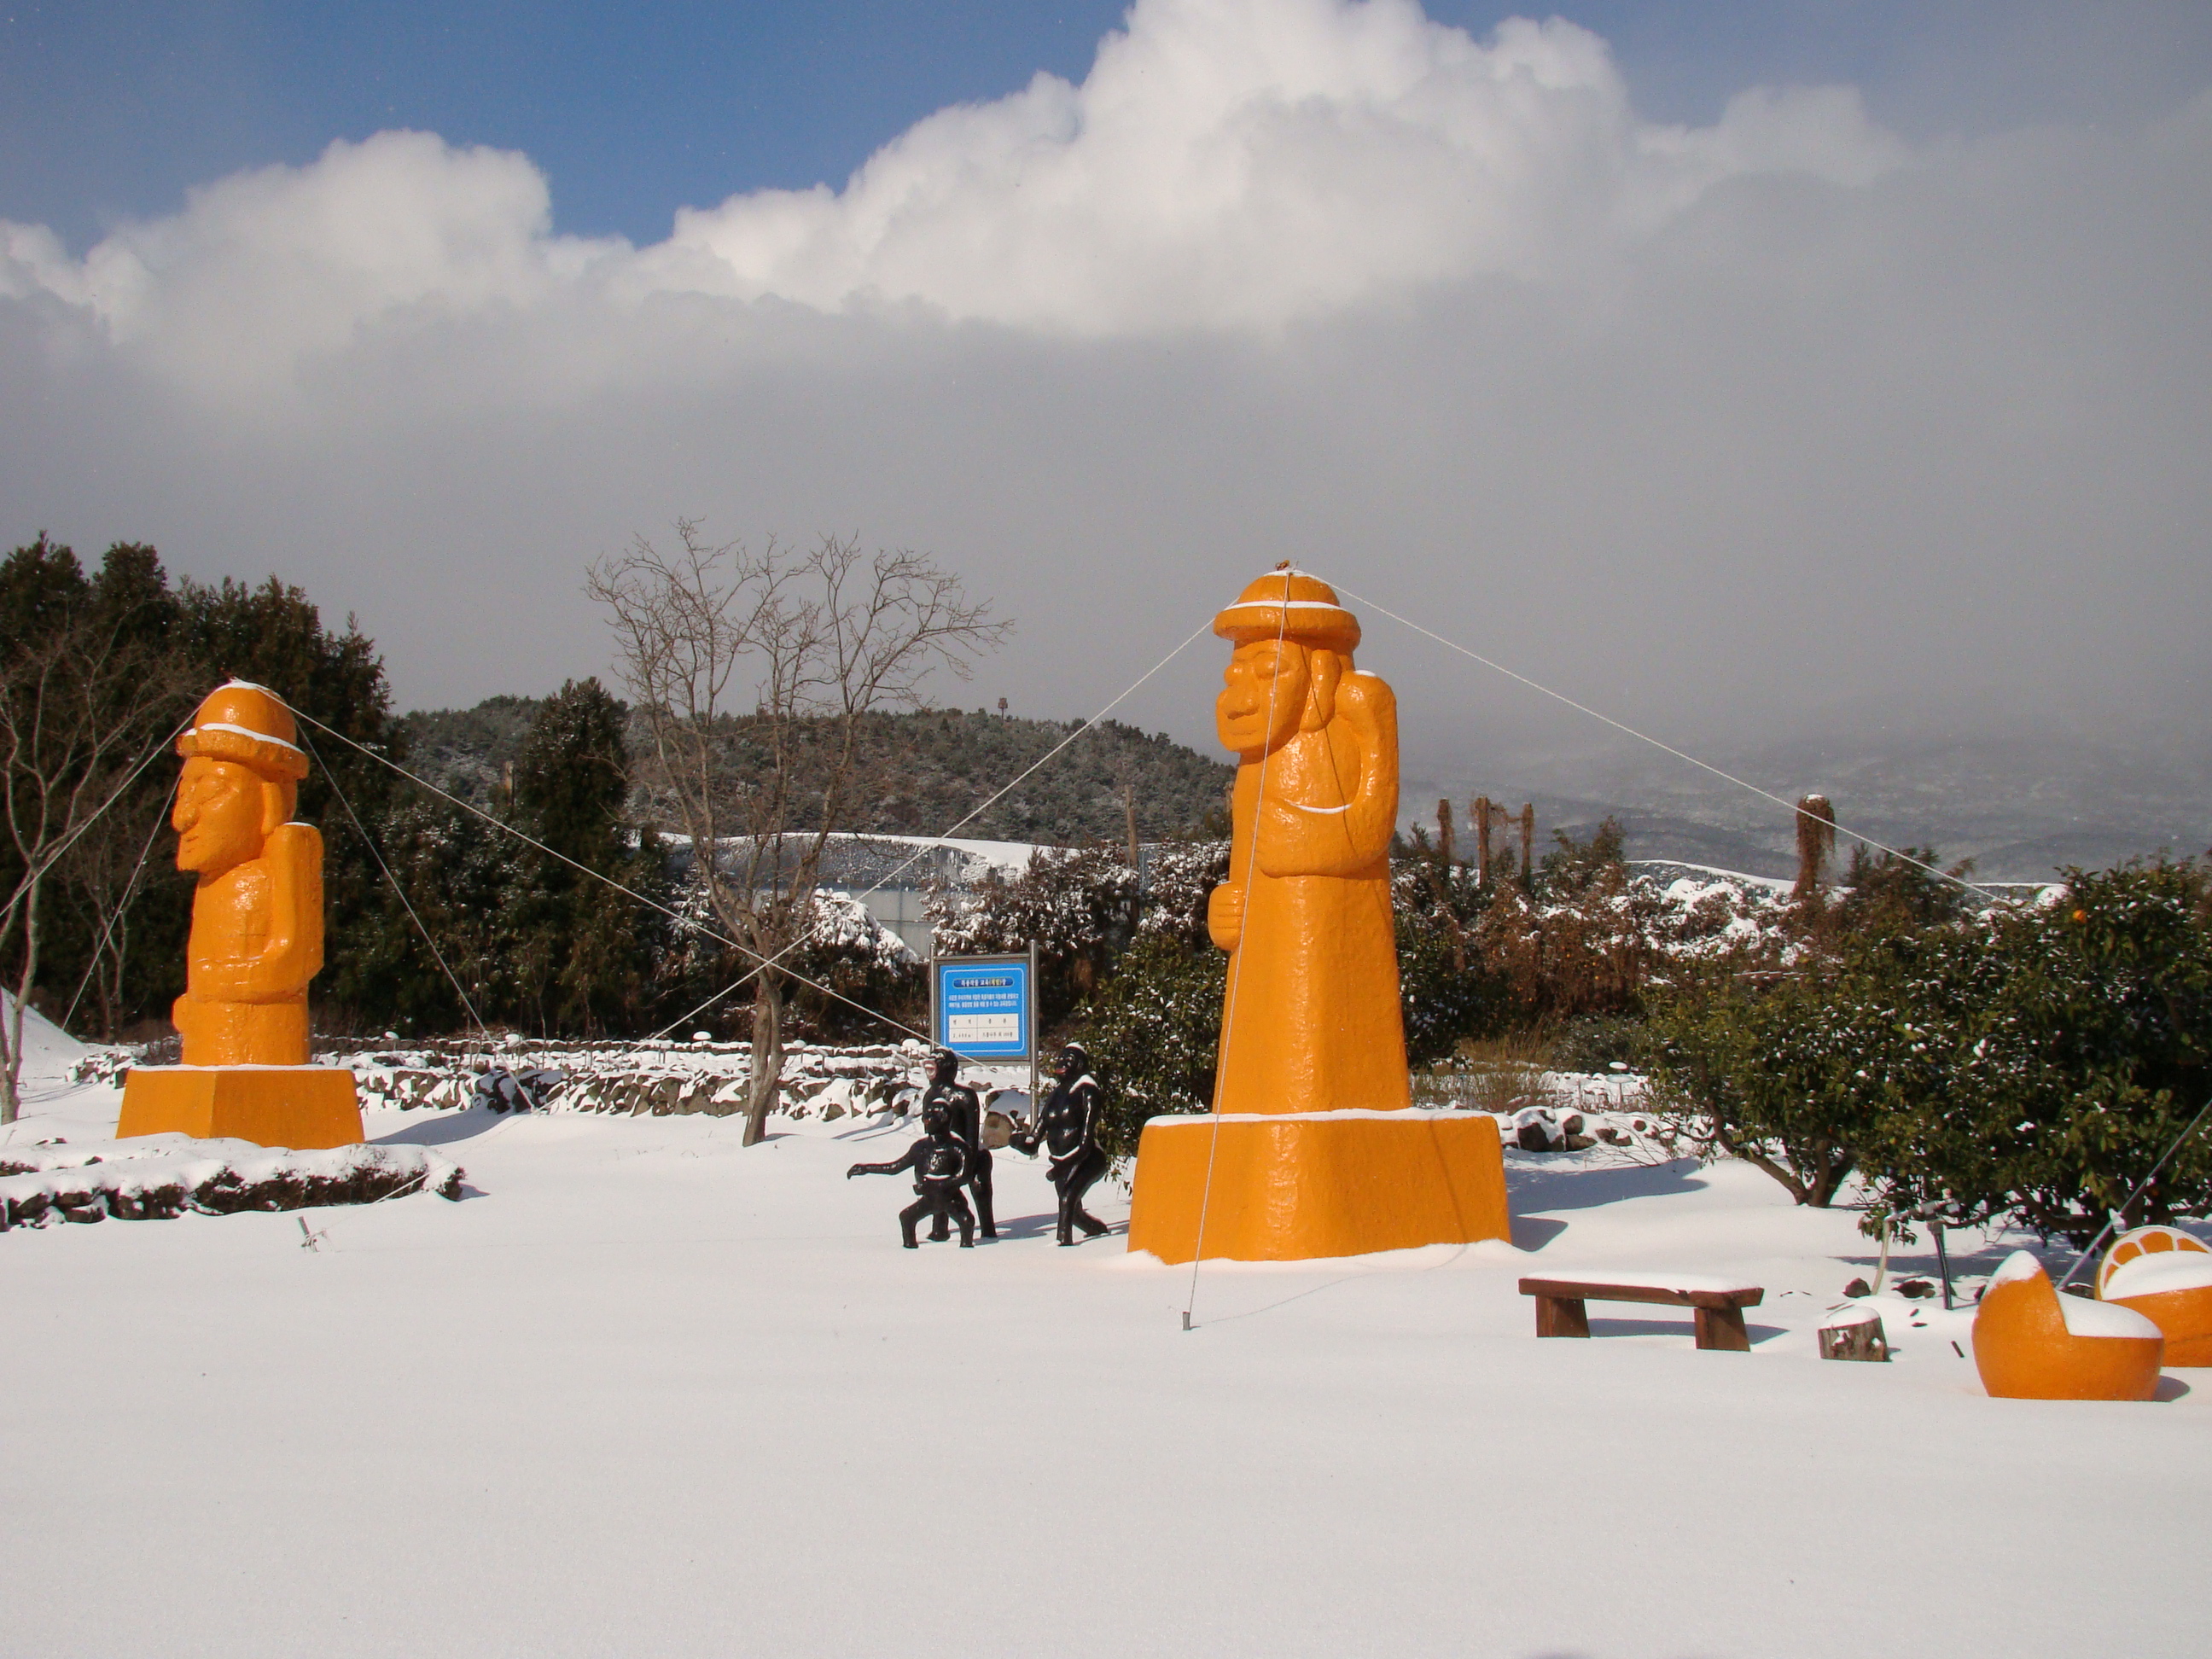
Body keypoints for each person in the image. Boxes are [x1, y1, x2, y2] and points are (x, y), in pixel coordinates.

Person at [1019, 1041, 1111, 1246]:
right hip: (1061, 1162)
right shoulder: (1056, 1094)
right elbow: (1036, 1134)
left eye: (1068, 1060)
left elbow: (1086, 1143)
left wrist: (1062, 1166)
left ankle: (1063, 1242)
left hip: (1088, 1158)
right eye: (1060, 1058)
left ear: (1080, 1064)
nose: (1062, 1063)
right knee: (1073, 1211)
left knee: (1067, 1198)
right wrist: (1021, 1142)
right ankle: (1098, 1230)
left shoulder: (1088, 1091)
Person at [847, 1103, 975, 1249]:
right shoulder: (920, 1148)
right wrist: (867, 1168)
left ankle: (965, 1252)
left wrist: (936, 1185)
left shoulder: (958, 1148)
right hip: (929, 1199)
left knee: (966, 1221)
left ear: (944, 1120)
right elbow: (895, 1167)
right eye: (925, 1116)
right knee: (906, 1218)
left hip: (952, 1199)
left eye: (930, 1117)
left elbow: (964, 1176)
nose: (925, 1120)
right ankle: (911, 1250)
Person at [920, 1047, 995, 1240]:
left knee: (979, 1184)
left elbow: (971, 1134)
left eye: (933, 1066)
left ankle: (987, 1227)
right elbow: (930, 1133)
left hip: (968, 1152)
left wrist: (966, 1164)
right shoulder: (930, 1095)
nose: (930, 1072)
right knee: (937, 1177)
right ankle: (939, 1228)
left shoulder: (965, 1096)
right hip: (944, 1153)